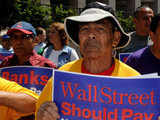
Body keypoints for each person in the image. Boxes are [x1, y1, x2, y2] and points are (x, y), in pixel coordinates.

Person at [35, 2, 140, 120]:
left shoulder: (134, 81)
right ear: (79, 38)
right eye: (84, 29)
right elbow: (40, 114)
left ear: (115, 38)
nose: (91, 35)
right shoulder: (61, 78)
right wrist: (42, 116)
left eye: (100, 29)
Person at [0, 21, 56, 120]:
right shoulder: (4, 65)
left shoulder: (47, 66)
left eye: (24, 37)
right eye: (14, 37)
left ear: (35, 40)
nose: (18, 42)